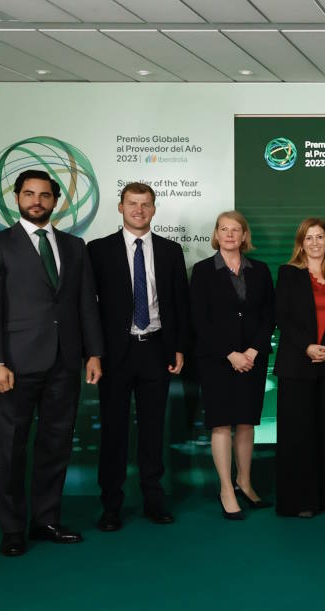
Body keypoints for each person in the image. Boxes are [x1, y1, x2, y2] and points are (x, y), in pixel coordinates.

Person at [0, 170, 103, 557]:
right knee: (11, 447)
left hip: (65, 361)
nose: (37, 201)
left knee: (56, 444)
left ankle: (46, 519)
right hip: (15, 363)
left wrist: (93, 352)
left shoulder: (75, 246)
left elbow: (85, 304)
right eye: (28, 194)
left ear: (55, 200)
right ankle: (13, 528)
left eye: (44, 195)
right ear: (16, 198)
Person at [87, 182, 188, 532]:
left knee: (152, 429)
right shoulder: (97, 251)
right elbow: (88, 308)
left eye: (145, 204)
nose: (139, 210)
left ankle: (153, 499)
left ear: (154, 209)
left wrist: (177, 347)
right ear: (120, 207)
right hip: (115, 354)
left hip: (156, 350)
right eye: (132, 203)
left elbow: (178, 304)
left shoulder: (171, 250)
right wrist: (94, 354)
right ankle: (111, 505)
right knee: (114, 430)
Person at [189, 210, 275, 520]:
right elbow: (199, 319)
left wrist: (252, 351)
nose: (229, 234)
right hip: (216, 359)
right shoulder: (201, 271)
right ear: (216, 234)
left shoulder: (261, 270)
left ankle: (245, 482)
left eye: (235, 229)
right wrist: (231, 353)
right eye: (223, 229)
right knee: (222, 422)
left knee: (247, 422)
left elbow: (269, 315)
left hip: (253, 359)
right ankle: (226, 488)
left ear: (243, 236)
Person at [273, 218, 325, 518]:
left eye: (320, 237)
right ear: (301, 243)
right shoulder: (288, 273)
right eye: (309, 238)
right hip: (296, 365)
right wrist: (307, 346)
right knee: (299, 434)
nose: (315, 243)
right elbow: (282, 316)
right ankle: (300, 501)